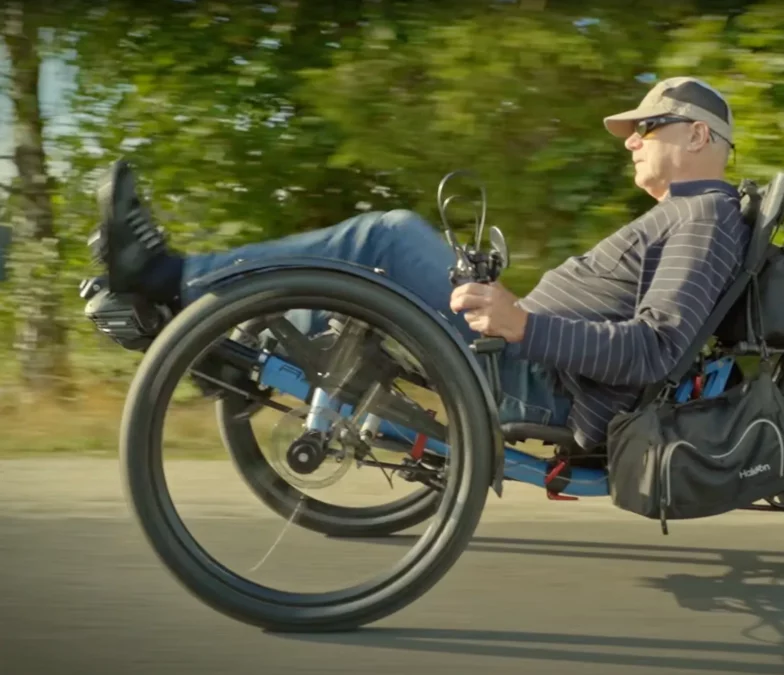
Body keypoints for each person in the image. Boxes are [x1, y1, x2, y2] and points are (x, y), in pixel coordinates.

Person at [88, 76, 750, 451]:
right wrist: (514, 313)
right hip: (521, 351)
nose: (631, 138)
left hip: (533, 373)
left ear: (699, 136)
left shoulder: (703, 216)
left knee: (387, 237)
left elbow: (656, 349)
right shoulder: (680, 214)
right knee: (374, 266)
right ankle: (216, 339)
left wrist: (522, 324)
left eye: (649, 125)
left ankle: (170, 281)